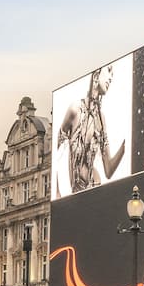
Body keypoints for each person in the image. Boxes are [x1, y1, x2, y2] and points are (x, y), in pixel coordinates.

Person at [55, 64, 127, 197]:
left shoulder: (101, 119)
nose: (111, 78)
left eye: (112, 75)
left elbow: (108, 170)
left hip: (93, 190)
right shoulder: (75, 109)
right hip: (74, 193)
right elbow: (56, 155)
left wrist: (125, 146)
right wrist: (57, 192)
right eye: (109, 71)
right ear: (96, 75)